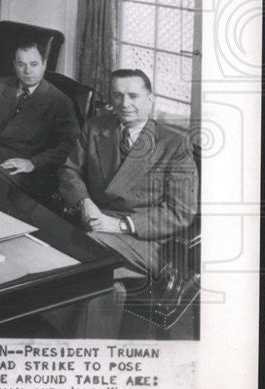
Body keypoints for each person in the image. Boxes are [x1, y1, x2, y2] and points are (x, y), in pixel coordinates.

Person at [59, 68, 197, 272]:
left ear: (150, 99)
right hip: (95, 221)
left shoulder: (174, 145)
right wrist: (85, 202)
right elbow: (70, 170)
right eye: (118, 95)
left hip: (144, 238)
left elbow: (180, 212)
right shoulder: (96, 127)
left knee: (84, 256)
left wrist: (119, 225)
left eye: (133, 96)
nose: (124, 104)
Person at [0, 40, 79, 197]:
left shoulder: (60, 101)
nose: (27, 71)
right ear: (14, 64)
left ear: (44, 64)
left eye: (34, 64)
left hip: (20, 169)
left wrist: (34, 163)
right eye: (22, 64)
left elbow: (70, 145)